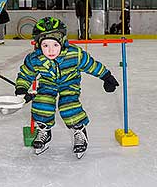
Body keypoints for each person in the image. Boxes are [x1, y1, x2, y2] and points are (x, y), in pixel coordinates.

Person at [15, 17, 119, 158]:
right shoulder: (35, 59)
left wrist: (106, 77)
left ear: (62, 42)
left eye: (55, 45)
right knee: (42, 102)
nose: (50, 50)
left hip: (69, 83)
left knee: (68, 105)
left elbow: (91, 65)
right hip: (48, 84)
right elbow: (26, 74)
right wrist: (21, 89)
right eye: (45, 46)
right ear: (39, 45)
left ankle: (79, 130)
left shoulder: (74, 54)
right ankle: (44, 130)